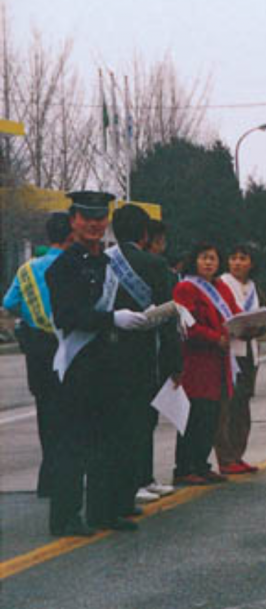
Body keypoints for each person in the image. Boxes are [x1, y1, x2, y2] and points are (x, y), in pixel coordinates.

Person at [46, 190, 151, 536]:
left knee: (109, 441)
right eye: (86, 218)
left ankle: (103, 511)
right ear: (73, 221)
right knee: (74, 445)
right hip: (79, 367)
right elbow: (67, 315)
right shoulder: (63, 267)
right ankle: (66, 517)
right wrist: (111, 319)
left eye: (99, 218)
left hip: (110, 365)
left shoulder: (108, 264)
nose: (94, 224)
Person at [107, 205, 181, 507]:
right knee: (141, 417)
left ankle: (142, 478)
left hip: (108, 349)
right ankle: (137, 479)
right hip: (144, 352)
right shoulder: (154, 264)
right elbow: (168, 316)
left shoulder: (104, 261)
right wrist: (175, 361)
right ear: (145, 233)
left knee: (121, 418)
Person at [3, 212, 73, 498]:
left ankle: (48, 478)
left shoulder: (28, 269)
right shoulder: (74, 265)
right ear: (71, 234)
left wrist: (32, 316)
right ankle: (66, 479)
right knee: (72, 416)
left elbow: (10, 303)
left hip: (39, 351)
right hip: (69, 346)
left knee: (47, 414)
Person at [173, 243, 240, 485]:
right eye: (204, 258)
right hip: (197, 361)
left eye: (213, 258)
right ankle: (184, 467)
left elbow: (234, 313)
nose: (209, 263)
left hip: (219, 361)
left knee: (211, 415)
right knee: (194, 414)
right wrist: (215, 338)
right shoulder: (185, 288)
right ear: (195, 260)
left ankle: (201, 464)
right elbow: (187, 325)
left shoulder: (220, 287)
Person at [215, 243, 266, 474]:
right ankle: (225, 457)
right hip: (229, 351)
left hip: (249, 351)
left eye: (243, 258)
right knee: (228, 406)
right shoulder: (221, 284)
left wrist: (259, 328)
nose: (237, 262)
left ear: (251, 263)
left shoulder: (255, 288)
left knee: (243, 405)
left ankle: (238, 454)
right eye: (233, 258)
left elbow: (265, 316)